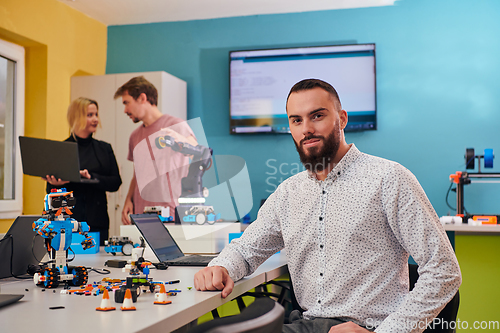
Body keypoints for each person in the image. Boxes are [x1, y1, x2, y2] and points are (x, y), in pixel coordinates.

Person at [194, 79, 461, 333]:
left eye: (317, 116)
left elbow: (443, 271)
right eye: (296, 120)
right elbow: (247, 249)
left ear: (342, 118)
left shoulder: (388, 179)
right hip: (307, 324)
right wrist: (222, 267)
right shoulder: (288, 193)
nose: (306, 128)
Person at [113, 76, 197, 225]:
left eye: (127, 103)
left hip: (170, 213)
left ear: (142, 98)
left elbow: (196, 150)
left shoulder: (175, 125)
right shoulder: (134, 136)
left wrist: (178, 139)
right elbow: (136, 174)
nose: (125, 110)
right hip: (141, 213)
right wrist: (128, 200)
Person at [45, 97, 122, 245]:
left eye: (96, 114)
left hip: (98, 222)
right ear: (76, 117)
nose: (95, 119)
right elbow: (50, 191)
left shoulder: (104, 149)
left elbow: (115, 182)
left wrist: (91, 177)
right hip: (67, 223)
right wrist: (58, 184)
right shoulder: (61, 149)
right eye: (89, 115)